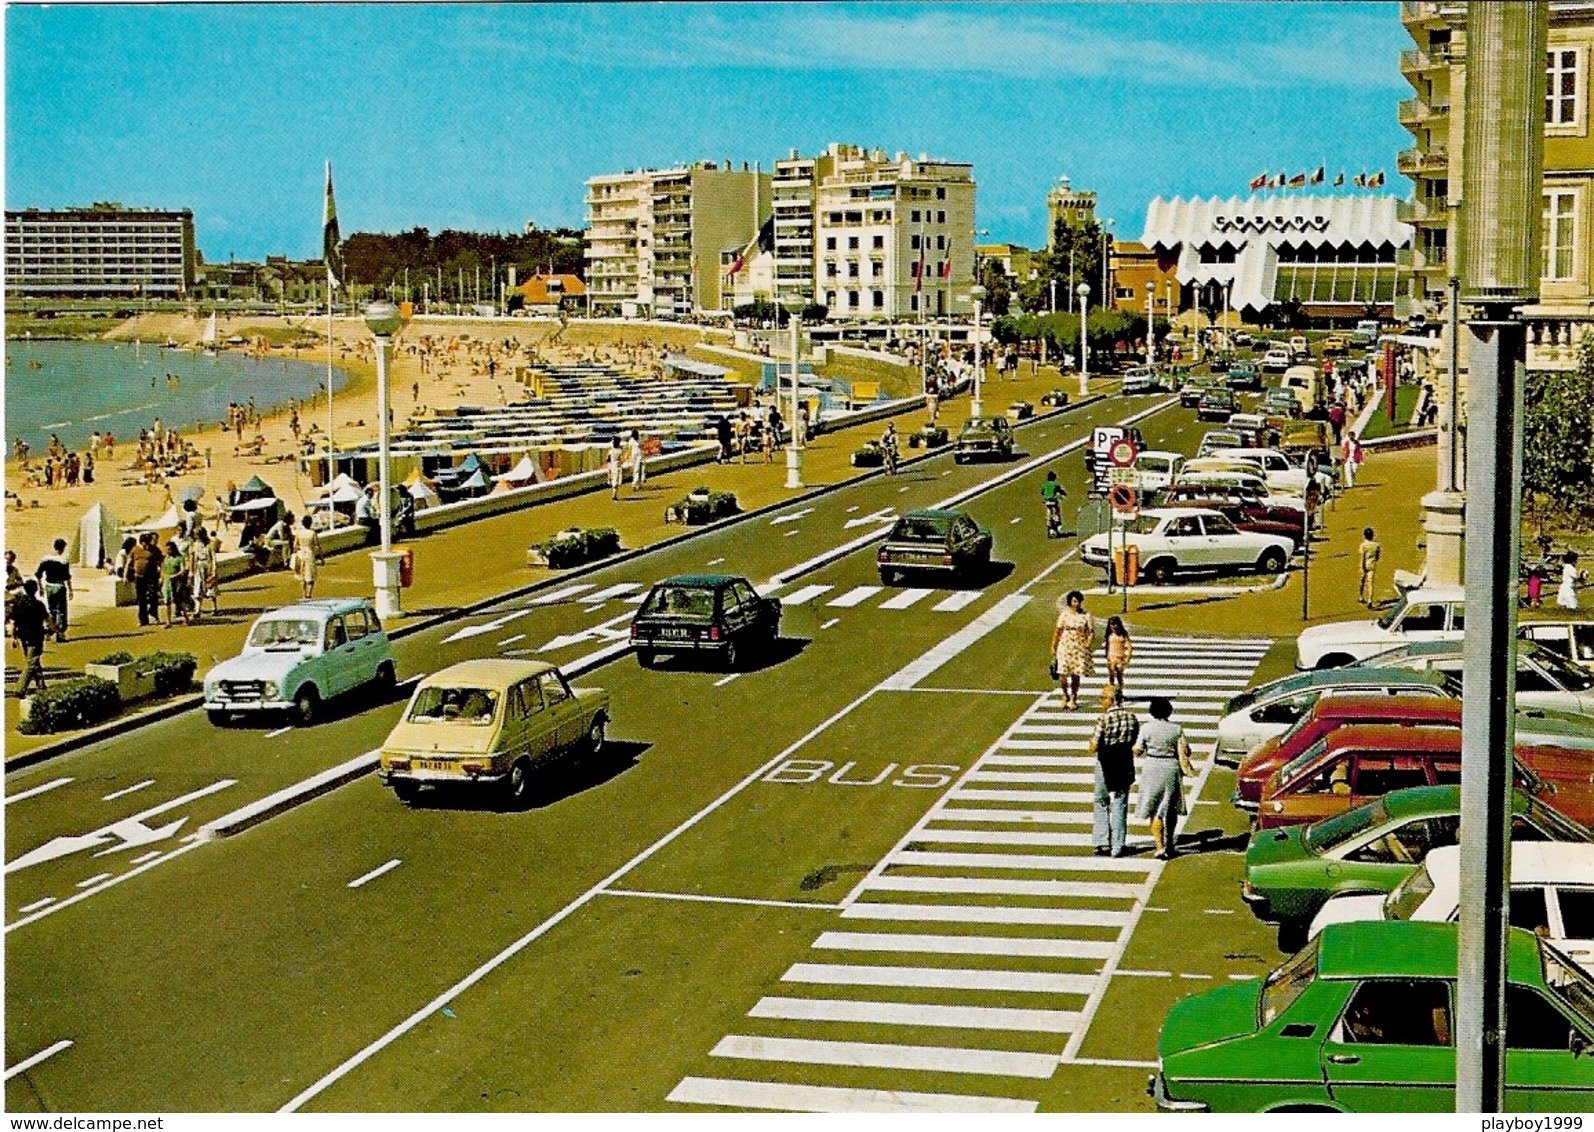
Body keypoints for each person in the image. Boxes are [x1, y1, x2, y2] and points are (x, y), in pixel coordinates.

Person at [1134, 696, 1195, 860]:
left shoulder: (1146, 728)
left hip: (1152, 767)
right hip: (1171, 768)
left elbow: (1138, 751)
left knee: (1155, 809)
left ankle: (1159, 846)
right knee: (1170, 807)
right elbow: (1187, 750)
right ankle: (1170, 844)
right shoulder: (1176, 729)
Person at [1088, 686, 1139, 858]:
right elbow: (1134, 741)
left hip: (1105, 762)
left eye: (1103, 698)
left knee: (1101, 800)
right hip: (1124, 762)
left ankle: (1101, 842)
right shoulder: (1132, 718)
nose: (1101, 701)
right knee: (1120, 803)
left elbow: (1094, 746)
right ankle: (1118, 846)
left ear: (1112, 700)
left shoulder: (1103, 719)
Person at [1051, 589, 1095, 710]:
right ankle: (1065, 695)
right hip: (1065, 645)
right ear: (1069, 602)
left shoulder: (1086, 615)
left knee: (1076, 674)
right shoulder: (1064, 615)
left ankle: (1073, 697)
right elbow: (1058, 630)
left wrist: (1087, 643)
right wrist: (1053, 646)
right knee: (1062, 673)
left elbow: (1091, 632)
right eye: (1074, 601)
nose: (1076, 604)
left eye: (1078, 601)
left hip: (1079, 646)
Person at [11, 579, 53, 698]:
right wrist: (56, 631)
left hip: (23, 637)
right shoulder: (38, 605)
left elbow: (14, 622)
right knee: (31, 663)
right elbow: (48, 620)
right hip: (36, 637)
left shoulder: (18, 604)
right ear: (35, 590)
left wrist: (14, 637)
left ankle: (41, 685)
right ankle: (20, 688)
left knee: (33, 661)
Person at [35, 538, 73, 643]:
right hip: (60, 586)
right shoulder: (64, 560)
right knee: (61, 611)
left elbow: (38, 574)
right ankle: (60, 634)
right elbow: (67, 577)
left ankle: (49, 630)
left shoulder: (46, 559)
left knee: (51, 610)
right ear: (63, 548)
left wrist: (40, 587)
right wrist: (70, 590)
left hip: (49, 586)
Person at [159, 539, 191, 627]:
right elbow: (163, 569)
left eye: (169, 549)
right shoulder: (166, 558)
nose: (168, 551)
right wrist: (162, 578)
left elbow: (183, 569)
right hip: (167, 581)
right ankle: (168, 621)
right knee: (167, 601)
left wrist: (176, 575)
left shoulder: (179, 558)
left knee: (179, 601)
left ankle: (186, 618)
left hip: (176, 582)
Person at [190, 529, 219, 617]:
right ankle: (198, 609)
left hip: (208, 566)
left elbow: (213, 557)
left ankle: (215, 608)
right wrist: (192, 571)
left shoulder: (209, 544)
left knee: (211, 587)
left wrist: (214, 569)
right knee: (198, 588)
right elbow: (193, 558)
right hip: (199, 567)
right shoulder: (195, 545)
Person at [292, 515, 322, 598]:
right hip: (309, 554)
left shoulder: (299, 533)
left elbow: (295, 546)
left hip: (301, 554)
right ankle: (309, 593)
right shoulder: (312, 533)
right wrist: (322, 558)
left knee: (303, 575)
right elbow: (318, 546)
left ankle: (304, 593)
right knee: (311, 575)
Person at [1104, 615, 1133, 688]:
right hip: (1111, 657)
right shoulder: (1109, 634)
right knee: (1111, 674)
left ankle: (1120, 689)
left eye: (1115, 624)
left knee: (1119, 674)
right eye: (1111, 624)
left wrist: (1127, 657)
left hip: (1120, 657)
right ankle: (1112, 689)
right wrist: (1106, 655)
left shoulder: (1123, 634)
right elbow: (1107, 646)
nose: (1113, 627)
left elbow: (1129, 646)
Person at [1358, 527, 1382, 607]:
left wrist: (1362, 567)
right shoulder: (1376, 545)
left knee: (1362, 582)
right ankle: (1370, 600)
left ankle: (1361, 597)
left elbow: (1362, 557)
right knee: (1370, 583)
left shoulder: (1363, 545)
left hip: (1365, 565)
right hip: (1372, 565)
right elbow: (1378, 556)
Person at [1041, 470, 1066, 537]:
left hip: (1046, 502)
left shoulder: (1045, 485)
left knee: (1048, 512)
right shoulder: (1055, 485)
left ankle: (1049, 525)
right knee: (1057, 512)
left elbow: (1042, 492)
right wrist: (1063, 495)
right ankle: (1057, 524)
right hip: (1054, 500)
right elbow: (1062, 491)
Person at [607, 436, 625, 501]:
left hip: (613, 465)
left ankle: (614, 493)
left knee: (615, 479)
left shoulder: (611, 450)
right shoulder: (620, 450)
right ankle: (614, 494)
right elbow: (622, 459)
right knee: (617, 481)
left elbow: (608, 459)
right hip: (617, 465)